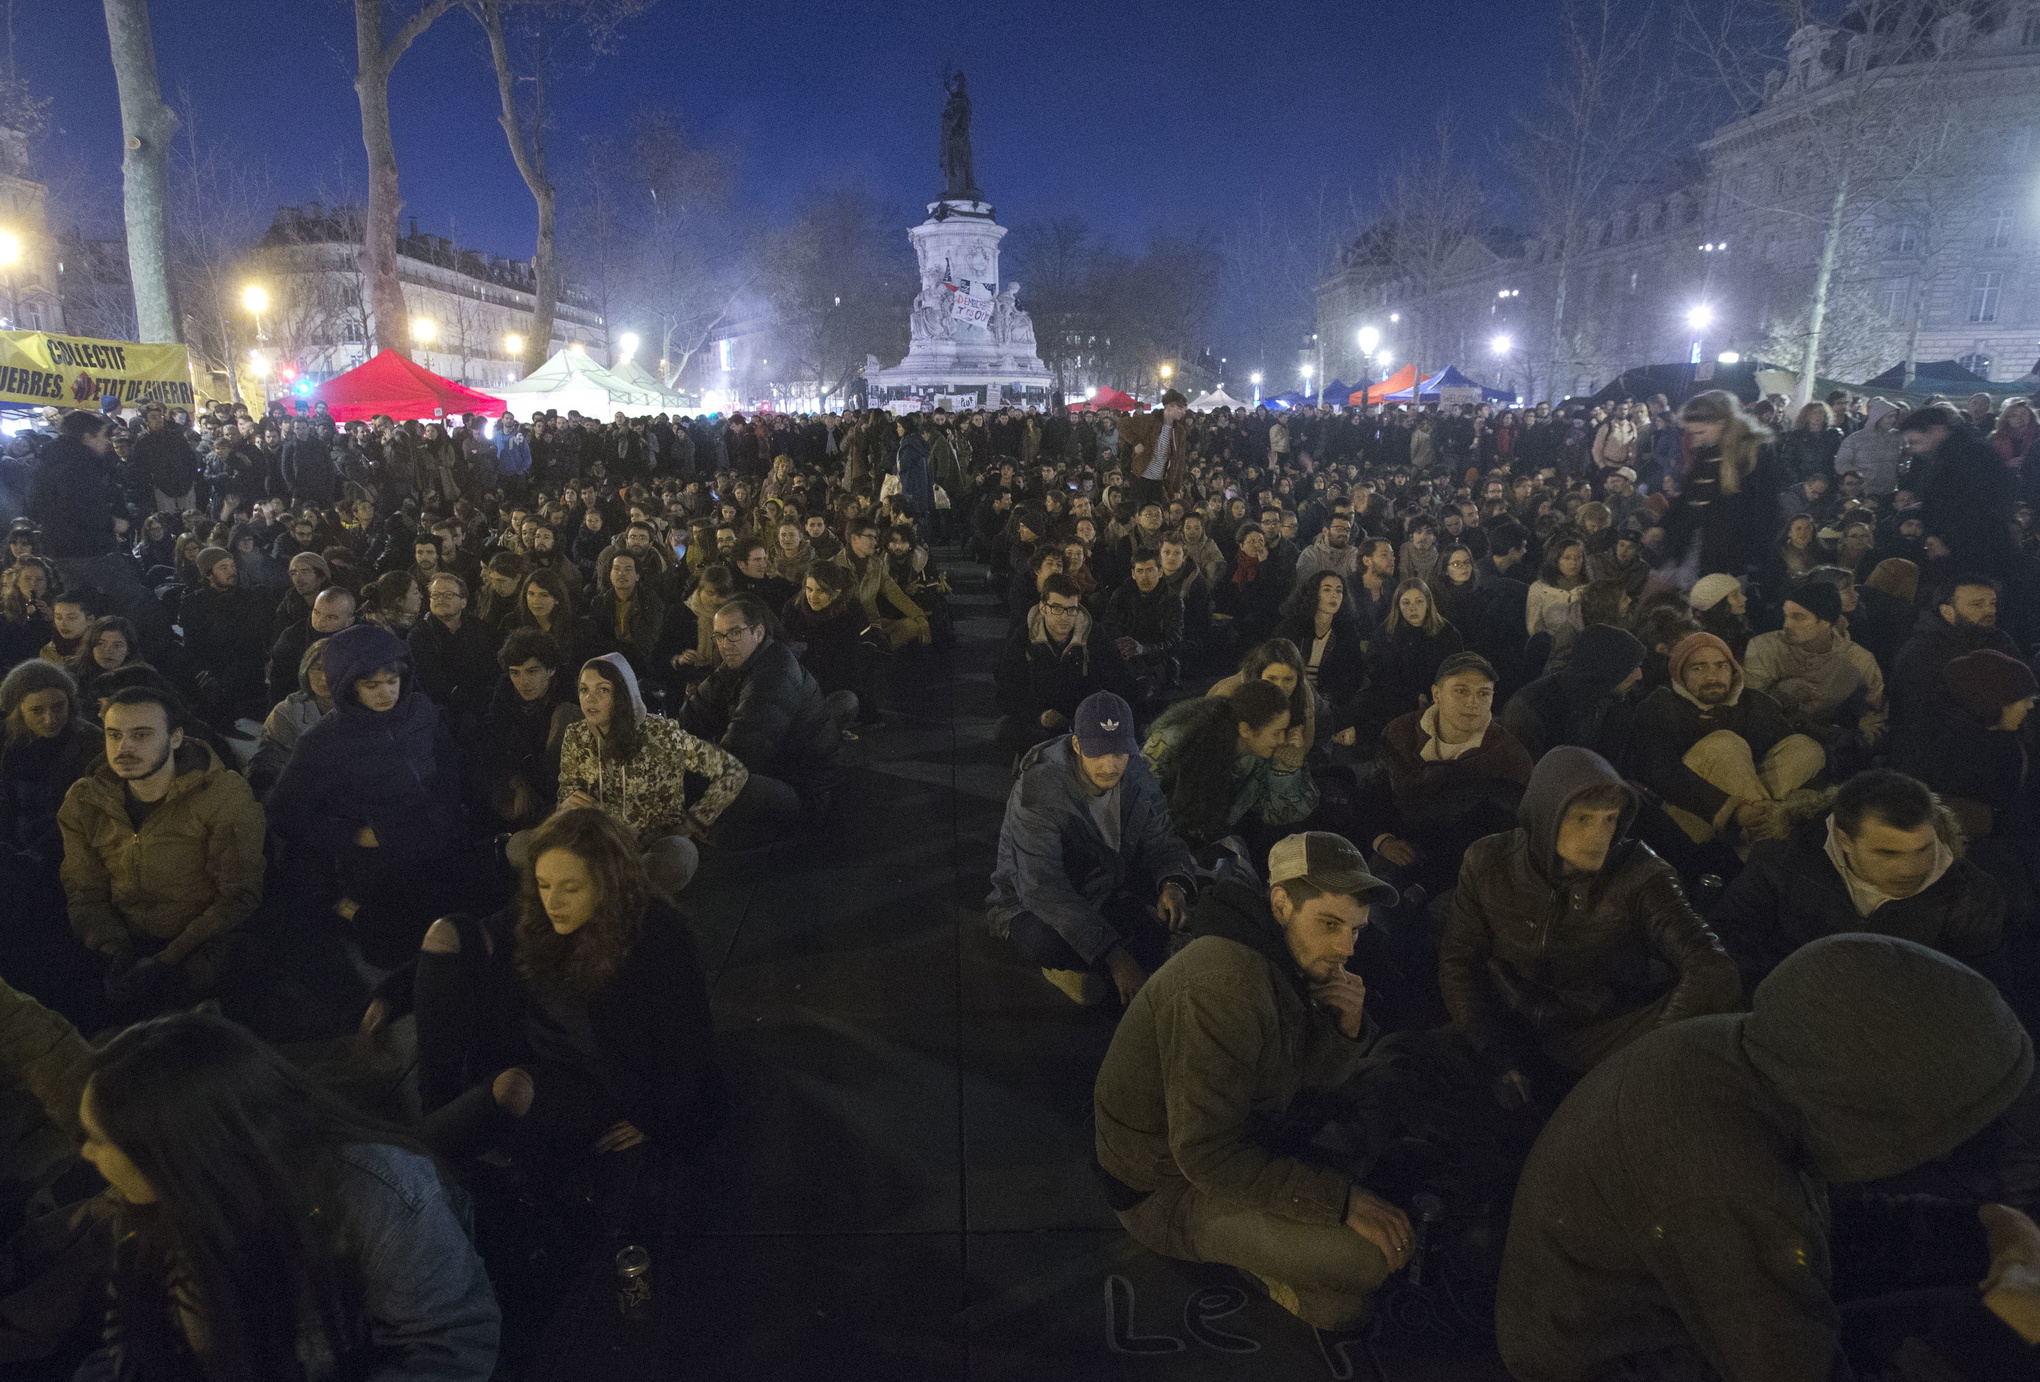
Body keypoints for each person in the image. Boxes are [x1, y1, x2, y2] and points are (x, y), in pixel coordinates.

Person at [1496, 934, 2033, 1382]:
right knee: (1969, 1341)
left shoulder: (1744, 1055)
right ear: (1876, 1099)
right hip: (1617, 1358)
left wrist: (1982, 1229)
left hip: (1662, 1307)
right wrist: (2003, 1330)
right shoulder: (1723, 1178)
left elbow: (1828, 1219)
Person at [1092, 831, 1409, 1331]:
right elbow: (1206, 1156)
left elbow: (1299, 1081)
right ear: (1281, 904)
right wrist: (1339, 1200)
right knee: (1367, 1262)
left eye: (1355, 930)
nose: (1345, 948)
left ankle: (1284, 1247)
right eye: (1329, 924)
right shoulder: (1225, 986)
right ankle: (1259, 1261)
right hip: (1165, 1191)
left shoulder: (1279, 956)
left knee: (1390, 1079)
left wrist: (1343, 1030)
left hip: (1244, 1134)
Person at [410, 808, 725, 1192]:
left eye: (570, 888)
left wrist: (659, 1119)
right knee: (445, 933)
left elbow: (691, 1038)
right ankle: (434, 1119)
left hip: (601, 1082)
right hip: (530, 1048)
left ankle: (415, 1157)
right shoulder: (541, 913)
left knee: (511, 1088)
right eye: (543, 884)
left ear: (607, 883)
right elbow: (482, 934)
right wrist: (390, 997)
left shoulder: (655, 936)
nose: (552, 901)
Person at [1440, 746, 1739, 1111]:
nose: (1600, 835)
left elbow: (1711, 966)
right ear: (1547, 815)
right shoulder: (1489, 860)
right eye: (1582, 819)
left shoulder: (1641, 872)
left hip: (1601, 1029)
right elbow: (1459, 961)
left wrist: (1650, 1053)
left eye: (1609, 819)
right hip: (1509, 1016)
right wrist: (1494, 1054)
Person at [266, 622, 467, 965]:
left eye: (392, 682)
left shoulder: (419, 709)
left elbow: (447, 764)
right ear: (347, 686)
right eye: (371, 685)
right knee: (395, 952)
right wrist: (354, 835)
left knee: (455, 939)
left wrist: (450, 811)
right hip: (381, 863)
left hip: (438, 842)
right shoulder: (322, 743)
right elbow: (284, 813)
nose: (385, 693)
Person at [58, 684, 266, 1016]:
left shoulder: (220, 795)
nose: (124, 747)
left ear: (175, 738)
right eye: (114, 735)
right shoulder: (86, 800)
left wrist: (165, 960)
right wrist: (114, 949)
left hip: (199, 939)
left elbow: (238, 895)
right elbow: (85, 888)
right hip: (124, 936)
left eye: (141, 735)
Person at [985, 691, 1196, 1007]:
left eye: (1119, 753)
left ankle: (1103, 946)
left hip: (1107, 881)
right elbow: (1042, 886)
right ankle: (1065, 967)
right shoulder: (1040, 787)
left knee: (1181, 908)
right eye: (1098, 753)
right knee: (1044, 939)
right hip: (1031, 900)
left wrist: (1173, 884)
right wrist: (1115, 957)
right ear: (1077, 745)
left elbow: (1162, 842)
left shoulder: (1135, 773)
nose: (1111, 766)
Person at [1710, 769, 2004, 995]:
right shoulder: (1782, 862)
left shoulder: (1971, 897)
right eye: (1888, 852)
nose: (1911, 868)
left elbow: (1977, 995)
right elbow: (1731, 942)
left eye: (1923, 849)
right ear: (1845, 840)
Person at [548, 654, 749, 897]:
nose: (590, 699)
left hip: (657, 846)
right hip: (601, 846)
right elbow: (566, 794)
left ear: (624, 693)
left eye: (603, 689)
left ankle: (615, 891)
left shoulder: (662, 734)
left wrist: (694, 821)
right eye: (583, 689)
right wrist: (567, 806)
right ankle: (612, 888)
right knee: (522, 846)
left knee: (679, 857)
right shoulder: (576, 735)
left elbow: (733, 771)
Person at [1631, 631, 1827, 850]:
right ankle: (1769, 847)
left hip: (1747, 809)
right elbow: (1659, 771)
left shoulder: (1754, 704)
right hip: (1688, 814)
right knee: (1724, 744)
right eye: (1699, 668)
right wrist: (1733, 809)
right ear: (1680, 674)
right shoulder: (1661, 706)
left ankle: (1760, 829)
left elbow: (1789, 752)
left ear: (1733, 670)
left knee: (1803, 748)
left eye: (1721, 666)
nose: (1712, 676)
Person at [1379, 652, 1534, 897]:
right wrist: (1382, 841)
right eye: (1461, 691)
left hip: (1463, 877)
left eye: (1483, 693)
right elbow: (1374, 795)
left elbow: (1509, 843)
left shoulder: (1509, 758)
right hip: (1396, 851)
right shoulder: (1400, 732)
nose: (1473, 702)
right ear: (1436, 694)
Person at [680, 596, 840, 823]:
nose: (725, 644)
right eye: (719, 636)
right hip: (773, 771)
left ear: (759, 633)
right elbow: (695, 712)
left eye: (735, 633)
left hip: (803, 789)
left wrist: (699, 817)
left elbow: (745, 751)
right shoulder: (736, 665)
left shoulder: (776, 673)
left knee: (723, 793)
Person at [1140, 678, 1308, 852]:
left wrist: (1285, 771)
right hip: (1158, 848)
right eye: (1277, 732)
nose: (1282, 740)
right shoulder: (1174, 741)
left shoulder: (1259, 758)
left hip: (1209, 848)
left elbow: (1281, 818)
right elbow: (1136, 798)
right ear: (1245, 730)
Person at [1890, 649, 2040, 840]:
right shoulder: (1935, 750)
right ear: (1995, 702)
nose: (2031, 706)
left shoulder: (2009, 738)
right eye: (2024, 699)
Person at [994, 572, 1132, 754]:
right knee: (1005, 730)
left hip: (1084, 719)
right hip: (1040, 721)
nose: (1065, 617)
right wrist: (1039, 716)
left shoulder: (1094, 636)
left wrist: (1087, 715)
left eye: (1071, 609)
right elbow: (1007, 692)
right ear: (1043, 607)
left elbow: (1117, 680)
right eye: (1057, 608)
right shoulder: (1023, 638)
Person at [1740, 580, 1886, 749]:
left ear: (1825, 622)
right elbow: (1749, 707)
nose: (1786, 624)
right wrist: (1781, 693)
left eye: (1798, 617)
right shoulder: (1764, 647)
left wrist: (1851, 742)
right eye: (1786, 615)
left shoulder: (1859, 660)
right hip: (1767, 742)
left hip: (1828, 750)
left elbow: (1874, 719)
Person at [1889, 575, 2022, 732]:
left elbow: (2022, 684)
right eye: (1977, 604)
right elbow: (1925, 713)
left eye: (1992, 603)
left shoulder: (1999, 640)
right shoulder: (1922, 652)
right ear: (1947, 611)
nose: (1990, 610)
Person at [0, 659, 99, 867]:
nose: (50, 719)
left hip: (67, 853)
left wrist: (33, 856)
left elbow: (87, 814)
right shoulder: (7, 742)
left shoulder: (91, 743)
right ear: (18, 710)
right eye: (37, 711)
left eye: (58, 706)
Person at [1501, 622, 1643, 763]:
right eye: (1631, 668)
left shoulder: (1612, 702)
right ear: (1606, 669)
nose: (1639, 675)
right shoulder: (1531, 707)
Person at [478, 627, 575, 831]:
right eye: (515, 672)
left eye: (532, 671)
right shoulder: (505, 690)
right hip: (518, 773)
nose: (523, 682)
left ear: (551, 669)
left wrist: (529, 786)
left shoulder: (568, 695)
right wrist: (518, 782)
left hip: (558, 783)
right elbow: (493, 741)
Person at [1903, 402, 2015, 578]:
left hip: (1974, 551)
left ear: (1937, 430)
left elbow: (1973, 507)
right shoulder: (1944, 457)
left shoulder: (1969, 457)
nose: (1913, 449)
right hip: (1962, 547)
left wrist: (1946, 540)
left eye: (1915, 441)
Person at [179, 546, 272, 719]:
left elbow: (259, 635)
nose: (231, 571)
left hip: (251, 670)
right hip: (218, 673)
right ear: (208, 575)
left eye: (232, 566)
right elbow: (193, 646)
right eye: (223, 567)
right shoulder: (194, 604)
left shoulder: (248, 597)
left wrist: (267, 658)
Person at [780, 563, 873, 729]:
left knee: (845, 702)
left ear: (836, 592)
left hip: (838, 683)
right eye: (809, 589)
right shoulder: (793, 608)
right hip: (802, 685)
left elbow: (857, 660)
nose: (812, 596)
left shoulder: (851, 611)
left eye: (821, 591)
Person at [408, 572, 502, 725]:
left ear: (463, 602)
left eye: (448, 595)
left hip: (482, 705)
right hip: (441, 711)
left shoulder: (481, 630)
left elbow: (491, 669)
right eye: (436, 595)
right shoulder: (419, 635)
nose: (441, 600)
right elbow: (429, 680)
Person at [248, 637, 334, 795]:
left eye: (334, 669)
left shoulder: (363, 709)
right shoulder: (287, 713)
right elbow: (266, 770)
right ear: (306, 671)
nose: (325, 678)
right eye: (318, 668)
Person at [1102, 548, 1183, 704]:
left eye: (1150, 570)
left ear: (1160, 572)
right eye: (1140, 571)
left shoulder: (1172, 601)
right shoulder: (1121, 594)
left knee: (1139, 684)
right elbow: (1108, 626)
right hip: (1125, 655)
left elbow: (1174, 642)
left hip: (1157, 660)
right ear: (1133, 574)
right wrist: (1120, 644)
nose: (1145, 577)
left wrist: (1143, 649)